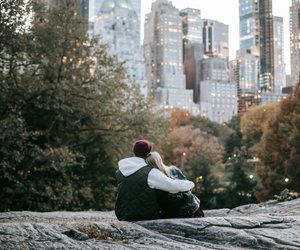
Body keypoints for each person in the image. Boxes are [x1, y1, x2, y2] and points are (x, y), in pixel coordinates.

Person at [115, 139, 195, 221]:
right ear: (148, 152)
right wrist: (190, 184)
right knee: (186, 195)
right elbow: (174, 187)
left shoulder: (120, 171)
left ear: (134, 151)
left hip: (122, 215)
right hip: (144, 216)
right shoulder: (150, 172)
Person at [145, 151, 205, 218]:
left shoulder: (151, 179)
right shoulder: (173, 170)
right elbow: (188, 188)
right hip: (191, 207)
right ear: (159, 160)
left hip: (178, 211)